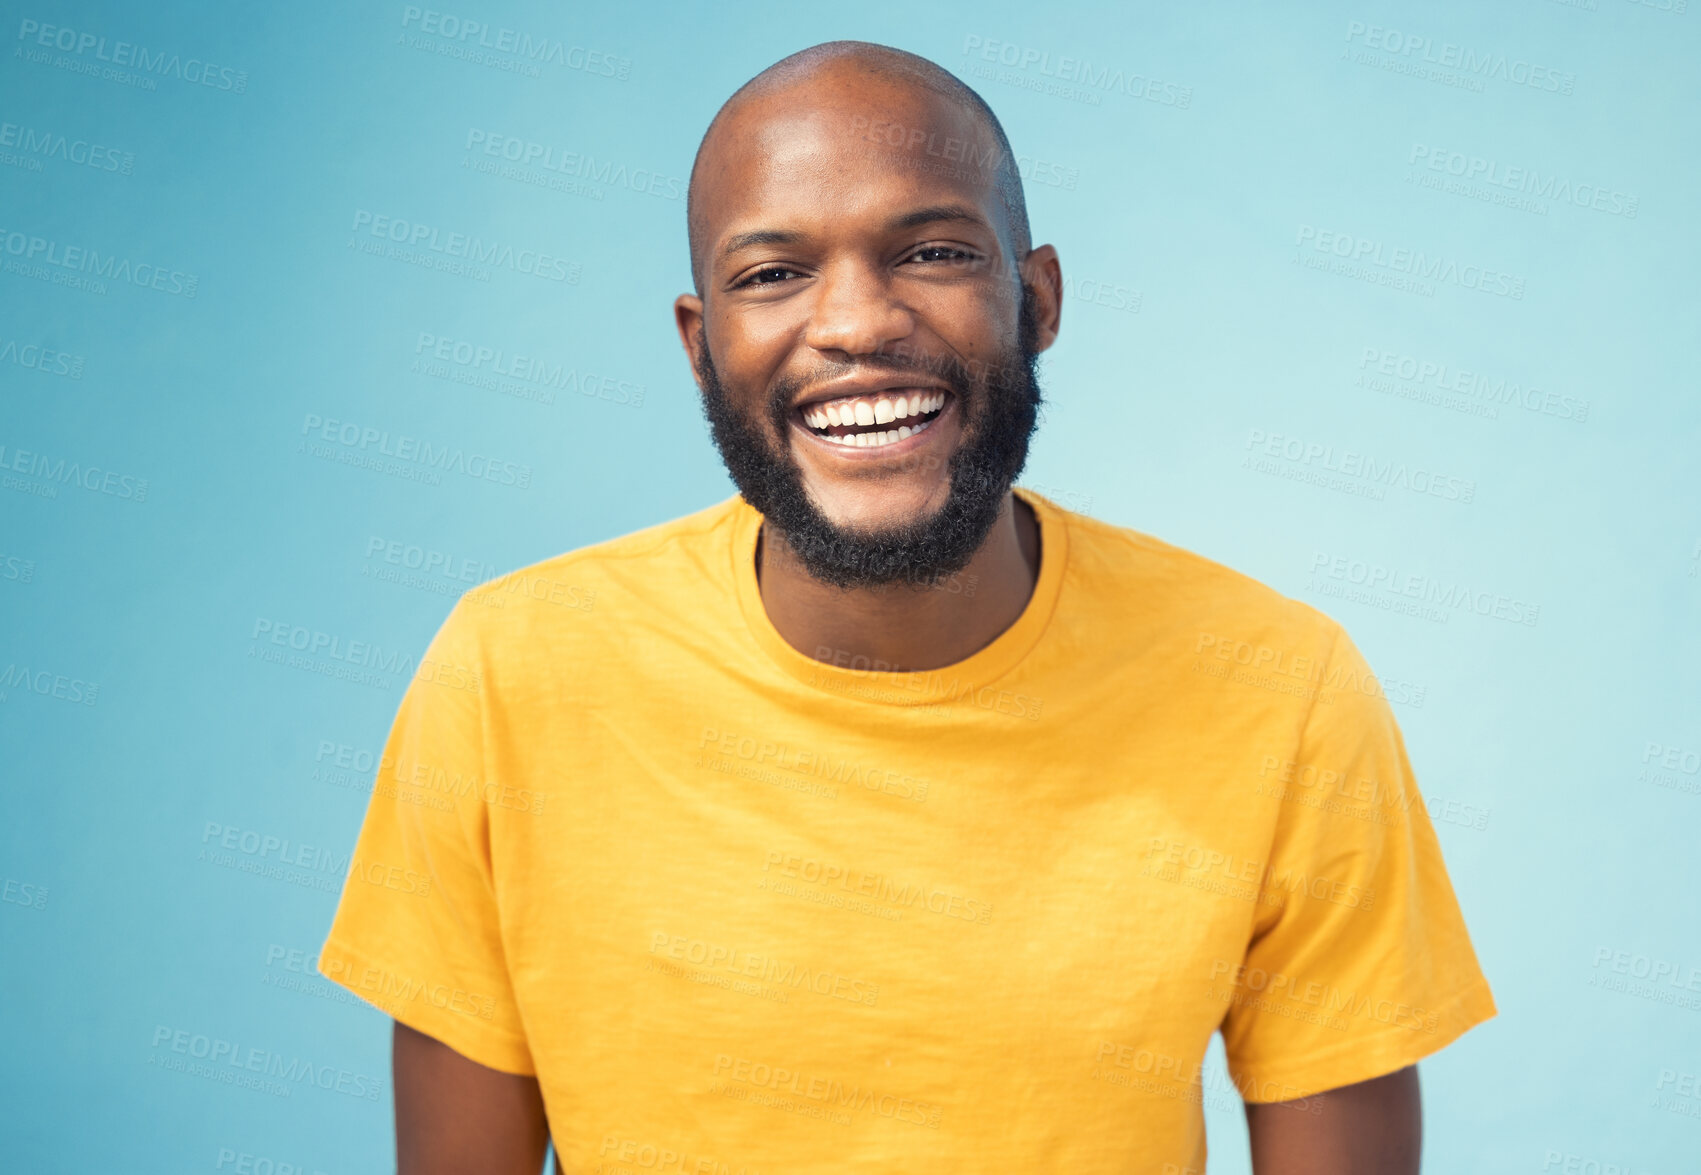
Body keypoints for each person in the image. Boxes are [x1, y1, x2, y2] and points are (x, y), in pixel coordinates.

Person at [318, 39, 1495, 1175]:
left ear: (1037, 299)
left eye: (932, 252)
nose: (857, 324)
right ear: (700, 343)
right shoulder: (512, 673)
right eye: (772, 274)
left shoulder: (1275, 684)